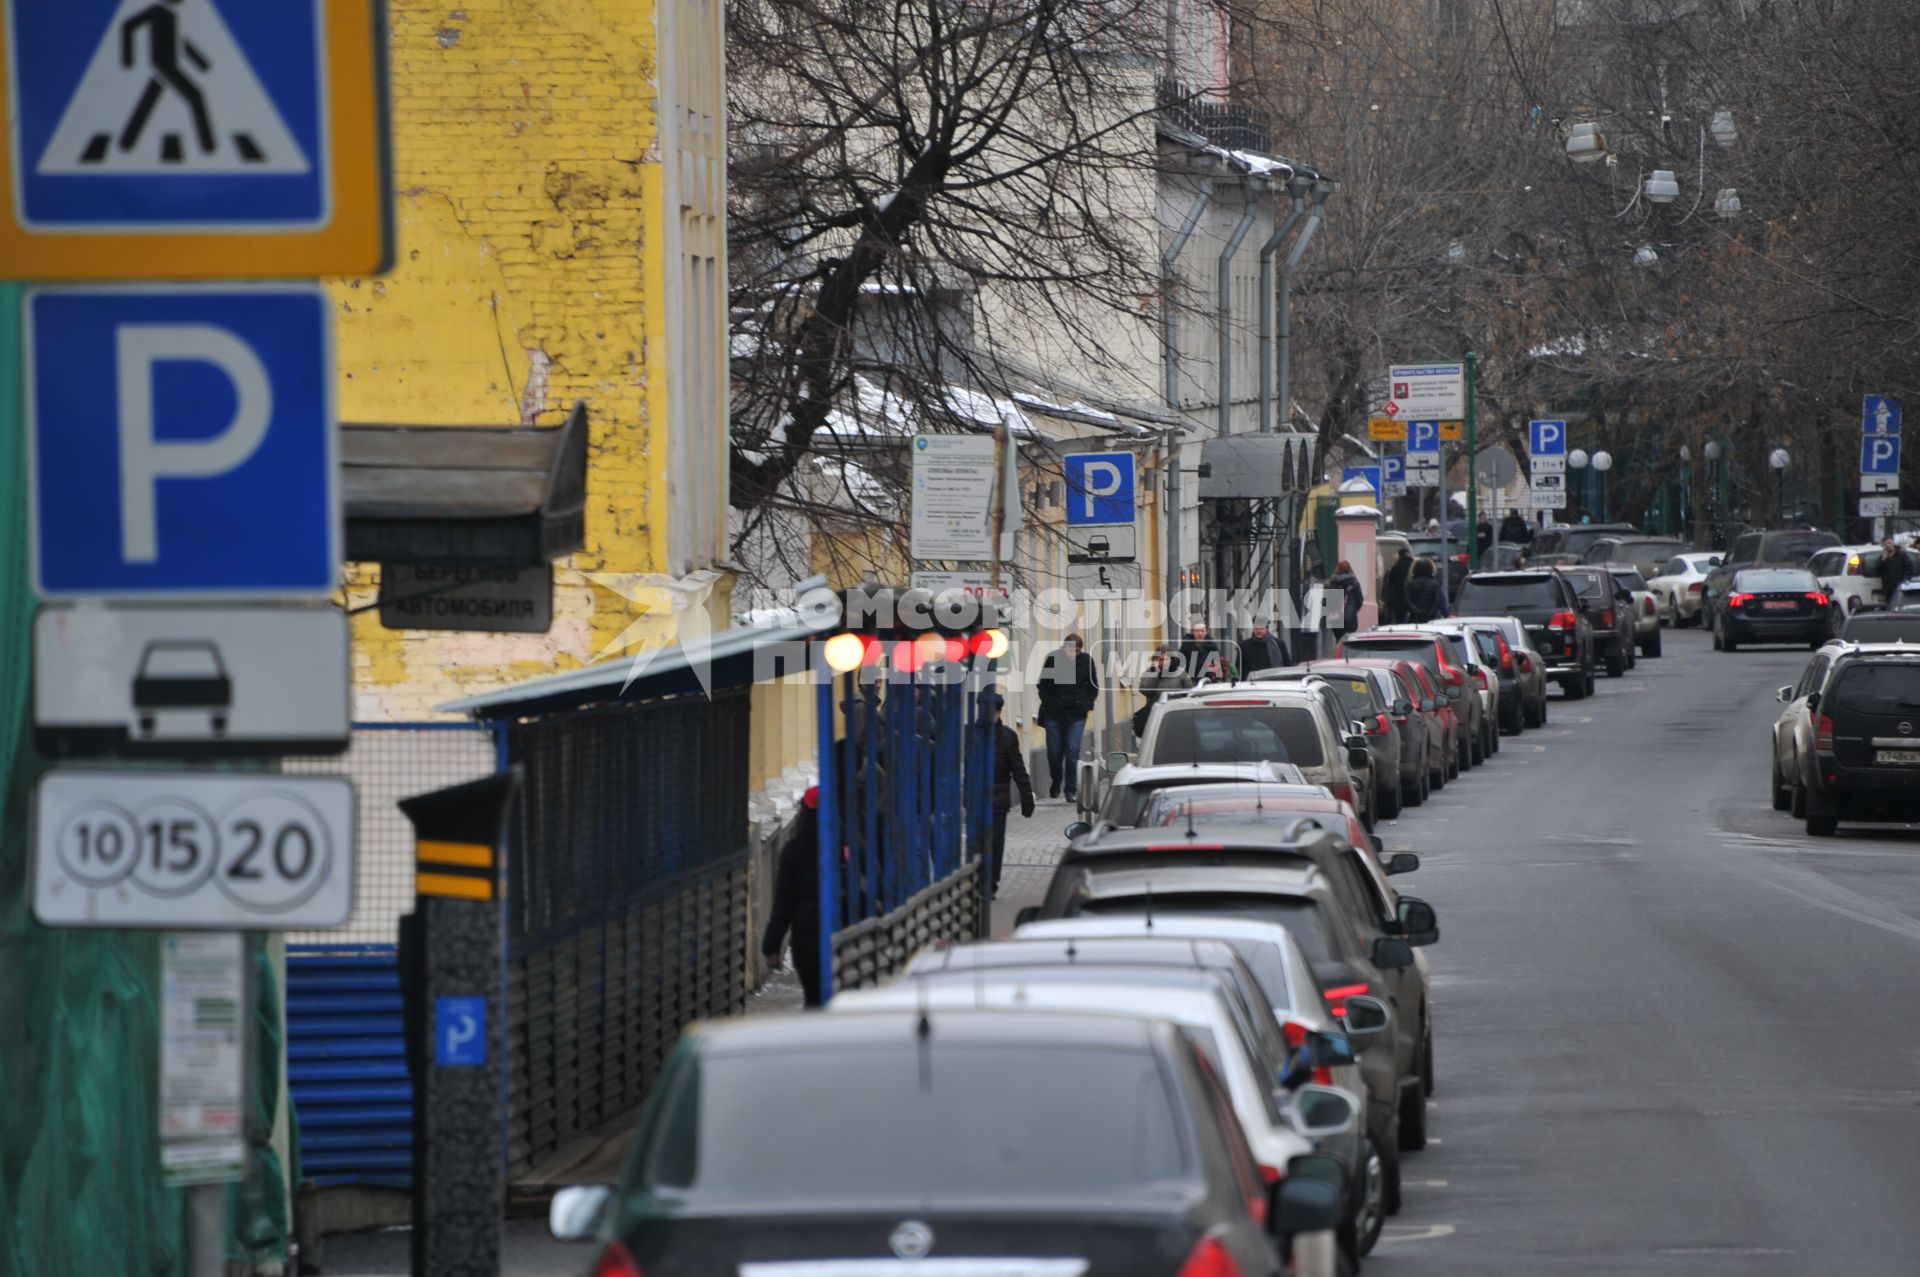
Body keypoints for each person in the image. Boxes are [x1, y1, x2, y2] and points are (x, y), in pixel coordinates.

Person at [761, 789, 824, 1007]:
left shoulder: (794, 851)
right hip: (841, 928)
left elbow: (784, 903)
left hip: (807, 935)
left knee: (814, 999)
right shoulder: (844, 843)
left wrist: (771, 944)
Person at [978, 690, 1035, 898]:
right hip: (976, 799)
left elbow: (1018, 769)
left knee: (995, 842)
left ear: (999, 712)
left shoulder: (1007, 738)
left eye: (990, 711)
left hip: (998, 800)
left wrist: (1026, 797)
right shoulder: (971, 734)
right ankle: (979, 880)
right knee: (978, 842)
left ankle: (991, 881)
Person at [1036, 634, 1098, 801]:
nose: (1072, 653)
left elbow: (1093, 686)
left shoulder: (1086, 661)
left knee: (1072, 751)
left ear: (1080, 650)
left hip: (1076, 714)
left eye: (1076, 650)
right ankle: (1056, 780)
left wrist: (1087, 703)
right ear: (1064, 648)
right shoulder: (1053, 659)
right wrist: (1049, 703)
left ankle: (1070, 789)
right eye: (1069, 649)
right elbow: (1042, 685)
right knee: (1054, 752)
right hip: (1054, 714)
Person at [1132, 646, 1193, 736]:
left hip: (1176, 714)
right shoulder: (1150, 672)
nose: (1163, 662)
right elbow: (1145, 690)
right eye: (1160, 659)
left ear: (1172, 660)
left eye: (1166, 659)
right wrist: (1156, 674)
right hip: (1157, 715)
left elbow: (1190, 692)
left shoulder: (1180, 673)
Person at [1327, 559, 1365, 634]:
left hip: (1335, 617)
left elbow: (1327, 601)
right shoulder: (1354, 582)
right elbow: (1359, 600)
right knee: (1349, 641)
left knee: (1338, 639)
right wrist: (1353, 609)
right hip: (1350, 616)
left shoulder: (1333, 582)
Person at [1405, 556, 1444, 622]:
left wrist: (1417, 612)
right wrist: (1430, 613)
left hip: (1414, 618)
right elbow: (1438, 601)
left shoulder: (1410, 584)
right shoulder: (1435, 584)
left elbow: (1407, 601)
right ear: (1431, 569)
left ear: (1415, 569)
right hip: (1430, 619)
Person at [1876, 536, 1913, 604]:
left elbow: (1909, 568)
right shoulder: (1882, 557)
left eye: (1889, 543)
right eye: (1885, 544)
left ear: (1893, 543)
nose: (1888, 545)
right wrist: (1883, 560)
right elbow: (1877, 570)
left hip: (1900, 585)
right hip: (1888, 588)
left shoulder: (1901, 554)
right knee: (1890, 605)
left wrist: (1906, 579)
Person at [1384, 548, 1413, 625]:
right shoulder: (1413, 564)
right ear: (1408, 554)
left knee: (1400, 618)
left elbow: (1390, 585)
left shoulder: (1396, 567)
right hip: (1412, 595)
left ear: (1399, 555)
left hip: (1399, 597)